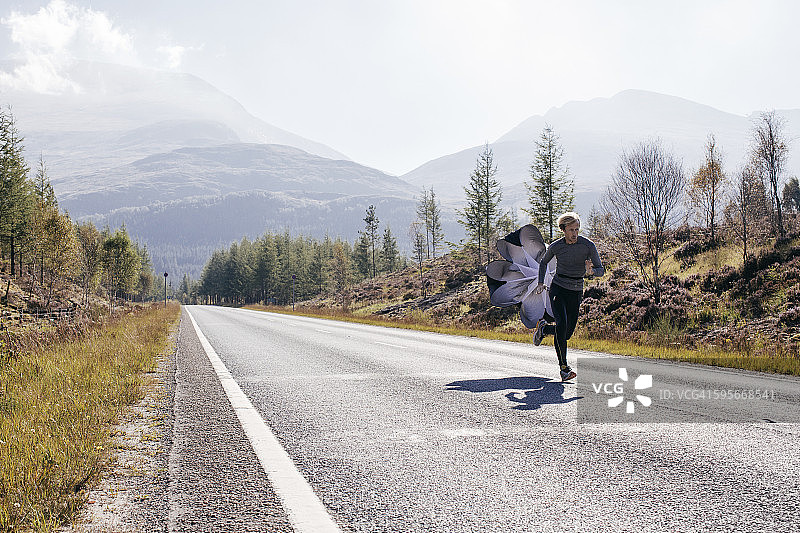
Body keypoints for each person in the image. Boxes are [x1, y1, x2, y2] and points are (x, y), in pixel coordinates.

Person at [533, 212, 604, 381]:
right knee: (562, 324)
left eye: (577, 229)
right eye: (571, 230)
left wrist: (591, 271)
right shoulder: (557, 246)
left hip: (576, 290)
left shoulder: (587, 245)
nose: (574, 233)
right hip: (558, 289)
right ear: (563, 229)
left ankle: (544, 329)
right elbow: (543, 263)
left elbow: (601, 270)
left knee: (566, 333)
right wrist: (541, 282)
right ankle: (564, 369)